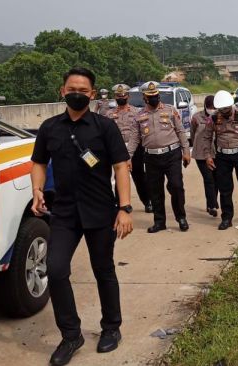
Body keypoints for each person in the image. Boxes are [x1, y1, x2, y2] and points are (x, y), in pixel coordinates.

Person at [30, 67, 133, 366]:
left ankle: (111, 328)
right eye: (71, 88)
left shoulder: (104, 127)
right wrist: (37, 189)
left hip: (101, 211)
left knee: (104, 270)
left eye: (83, 90)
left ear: (91, 94)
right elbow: (38, 162)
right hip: (63, 212)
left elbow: (121, 167)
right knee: (56, 268)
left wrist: (124, 208)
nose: (76, 93)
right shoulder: (49, 128)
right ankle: (71, 334)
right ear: (62, 91)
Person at [128, 81, 190, 233]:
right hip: (151, 157)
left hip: (172, 154)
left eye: (156, 95)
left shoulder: (170, 110)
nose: (154, 99)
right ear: (145, 98)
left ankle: (181, 217)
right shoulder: (139, 116)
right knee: (155, 190)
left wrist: (186, 151)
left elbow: (181, 131)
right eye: (151, 96)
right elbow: (135, 138)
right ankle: (159, 221)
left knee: (176, 186)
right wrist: (128, 157)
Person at [204, 90, 238, 230]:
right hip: (222, 157)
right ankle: (227, 217)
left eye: (227, 109)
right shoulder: (214, 118)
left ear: (231, 105)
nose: (225, 112)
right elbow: (207, 137)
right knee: (225, 188)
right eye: (222, 109)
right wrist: (208, 156)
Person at [105, 83, 152, 213]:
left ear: (128, 96)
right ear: (115, 97)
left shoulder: (137, 112)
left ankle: (147, 201)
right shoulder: (109, 114)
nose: (121, 97)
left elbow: (141, 131)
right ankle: (120, 203)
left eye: (124, 95)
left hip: (135, 148)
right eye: (119, 96)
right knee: (119, 175)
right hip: (117, 149)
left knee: (139, 176)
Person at [191, 95, 219, 217]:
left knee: (216, 179)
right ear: (205, 106)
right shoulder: (196, 117)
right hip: (201, 153)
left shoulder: (219, 116)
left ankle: (210, 203)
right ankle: (213, 205)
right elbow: (192, 134)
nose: (212, 109)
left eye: (214, 107)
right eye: (210, 107)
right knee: (208, 179)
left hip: (216, 152)